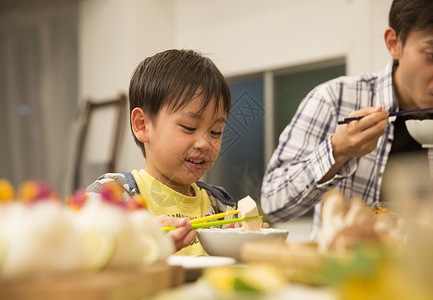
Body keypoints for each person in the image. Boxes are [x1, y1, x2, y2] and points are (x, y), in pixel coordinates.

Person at [261, 0, 433, 239]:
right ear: (394, 43)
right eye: (431, 55)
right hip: (346, 270)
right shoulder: (334, 99)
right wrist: (337, 152)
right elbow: (273, 205)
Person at [87, 49, 237, 256]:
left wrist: (243, 245)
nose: (204, 144)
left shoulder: (220, 205)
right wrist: (141, 243)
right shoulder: (112, 194)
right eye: (189, 127)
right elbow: (82, 253)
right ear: (142, 125)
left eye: (215, 131)